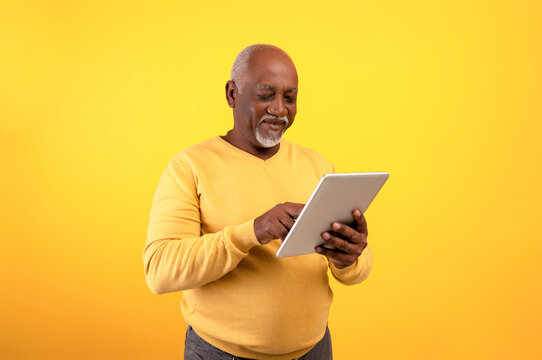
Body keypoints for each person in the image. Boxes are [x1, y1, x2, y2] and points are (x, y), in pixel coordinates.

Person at [143, 44, 373, 360]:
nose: (280, 109)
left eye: (289, 97)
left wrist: (349, 258)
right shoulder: (189, 167)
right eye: (266, 95)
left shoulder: (319, 167)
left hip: (315, 351)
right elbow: (160, 271)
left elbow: (357, 271)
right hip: (220, 354)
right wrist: (253, 231)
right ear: (232, 94)